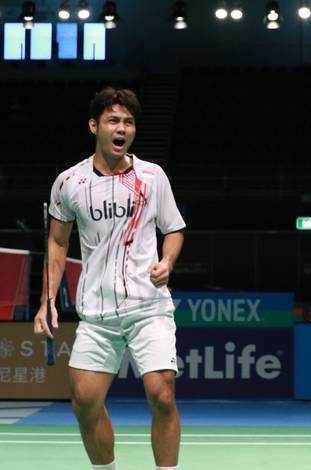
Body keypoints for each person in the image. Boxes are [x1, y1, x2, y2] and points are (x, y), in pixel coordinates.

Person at [34, 87, 186, 470]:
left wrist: (167, 261)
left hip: (148, 306)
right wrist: (47, 301)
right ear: (94, 126)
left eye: (129, 122)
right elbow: (57, 241)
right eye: (113, 120)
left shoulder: (152, 177)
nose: (122, 129)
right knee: (85, 402)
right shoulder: (70, 182)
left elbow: (173, 228)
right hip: (98, 313)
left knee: (162, 392)